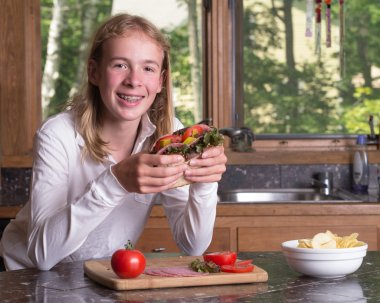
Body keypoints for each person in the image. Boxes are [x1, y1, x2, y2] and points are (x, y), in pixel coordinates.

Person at [0, 13, 227, 271]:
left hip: (100, 276)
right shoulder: (57, 134)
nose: (133, 80)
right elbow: (42, 256)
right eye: (120, 65)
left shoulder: (169, 134)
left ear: (161, 81)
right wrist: (116, 181)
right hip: (23, 278)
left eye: (148, 68)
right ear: (94, 72)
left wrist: (205, 182)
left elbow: (193, 245)